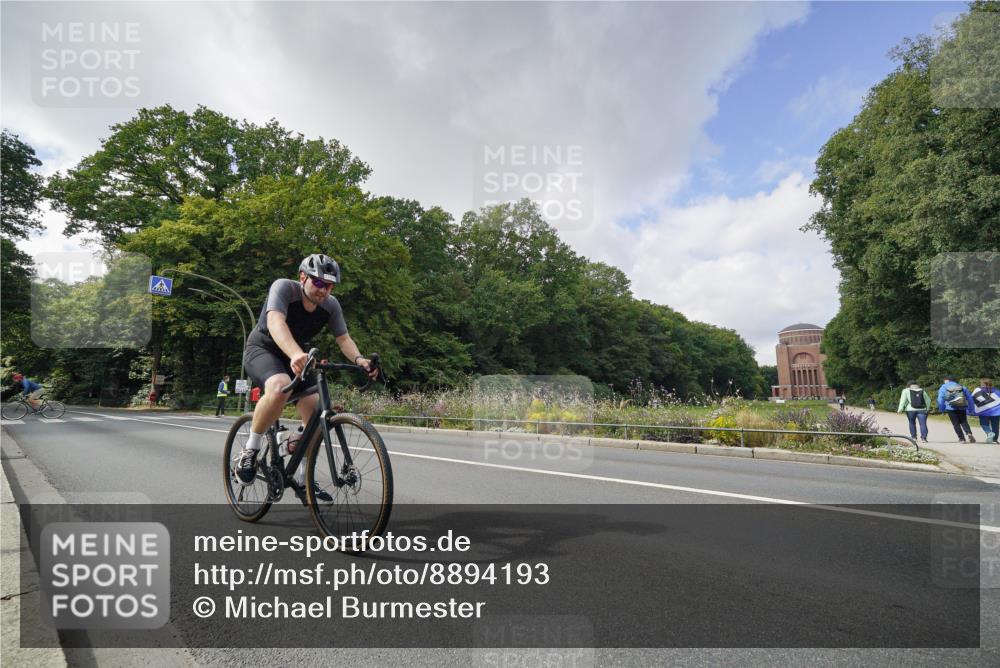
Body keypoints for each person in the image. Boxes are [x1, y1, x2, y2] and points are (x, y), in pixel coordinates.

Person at [236, 253, 377, 504]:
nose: (324, 290)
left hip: (299, 356)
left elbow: (343, 339)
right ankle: (251, 449)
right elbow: (276, 321)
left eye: (329, 285)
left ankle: (303, 480)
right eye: (319, 283)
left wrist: (360, 360)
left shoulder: (331, 306)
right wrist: (294, 354)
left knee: (317, 413)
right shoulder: (284, 288)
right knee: (279, 387)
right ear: (303, 277)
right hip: (264, 349)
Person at [937, 376, 976, 443]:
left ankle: (962, 439)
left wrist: (942, 409)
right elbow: (970, 399)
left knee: (956, 424)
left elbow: (940, 399)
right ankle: (969, 433)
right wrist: (971, 409)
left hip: (950, 408)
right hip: (962, 406)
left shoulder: (943, 387)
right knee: (964, 421)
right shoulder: (962, 387)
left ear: (947, 380)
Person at [970, 378, 1000, 444]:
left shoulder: (978, 390)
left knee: (984, 424)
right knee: (995, 425)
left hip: (983, 411)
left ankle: (989, 433)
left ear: (982, 383)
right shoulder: (997, 391)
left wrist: (970, 410)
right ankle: (994, 440)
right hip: (995, 412)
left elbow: (971, 399)